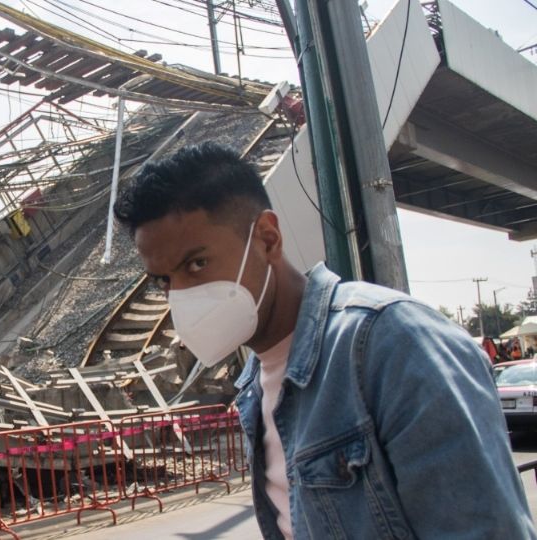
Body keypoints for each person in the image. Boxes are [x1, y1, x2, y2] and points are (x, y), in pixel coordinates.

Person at [113, 141, 535, 539]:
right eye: (162, 281)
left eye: (197, 263)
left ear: (267, 239)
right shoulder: (254, 388)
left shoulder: (394, 344)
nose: (180, 296)